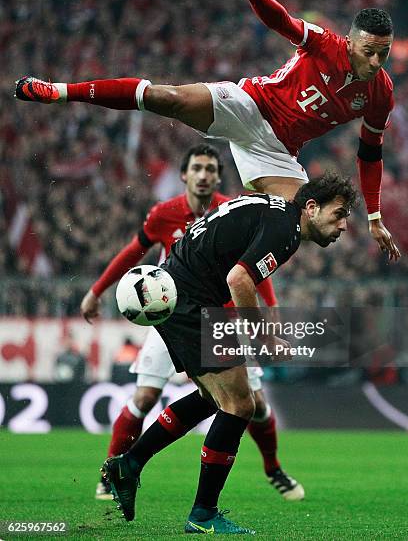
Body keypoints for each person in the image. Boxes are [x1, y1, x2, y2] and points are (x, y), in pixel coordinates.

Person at [15, 0, 400, 262]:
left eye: (383, 54)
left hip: (279, 152)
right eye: (369, 52)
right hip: (250, 106)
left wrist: (375, 216)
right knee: (168, 98)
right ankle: (60, 91)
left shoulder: (381, 93)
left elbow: (370, 155)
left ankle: (220, 270)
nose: (375, 63)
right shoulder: (325, 43)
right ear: (351, 43)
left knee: (303, 223)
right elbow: (281, 21)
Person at [100, 172, 358, 534]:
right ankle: (202, 514)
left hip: (179, 292)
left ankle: (129, 464)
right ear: (312, 207)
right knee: (241, 405)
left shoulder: (275, 212)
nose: (344, 225)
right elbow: (239, 279)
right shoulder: (286, 232)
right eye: (339, 214)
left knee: (213, 399)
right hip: (190, 301)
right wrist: (263, 335)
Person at [81, 143, 304, 503]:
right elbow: (133, 252)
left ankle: (273, 469)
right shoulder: (164, 213)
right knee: (149, 395)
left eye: (210, 170)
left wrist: (271, 307)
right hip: (169, 309)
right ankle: (114, 474)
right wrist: (97, 290)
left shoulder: (230, 208)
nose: (203, 175)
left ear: (218, 176)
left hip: (220, 312)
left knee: (248, 403)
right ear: (184, 175)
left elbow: (253, 267)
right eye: (197, 168)